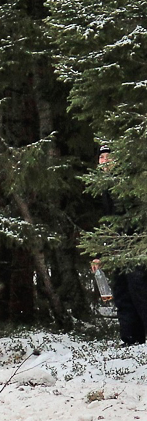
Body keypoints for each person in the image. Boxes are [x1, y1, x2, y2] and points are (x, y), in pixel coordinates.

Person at [93, 144, 147, 345]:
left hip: (135, 245)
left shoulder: (128, 185)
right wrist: (100, 252)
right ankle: (131, 338)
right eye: (101, 157)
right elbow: (106, 222)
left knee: (139, 289)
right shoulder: (103, 188)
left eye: (108, 156)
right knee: (121, 292)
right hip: (116, 248)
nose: (105, 161)